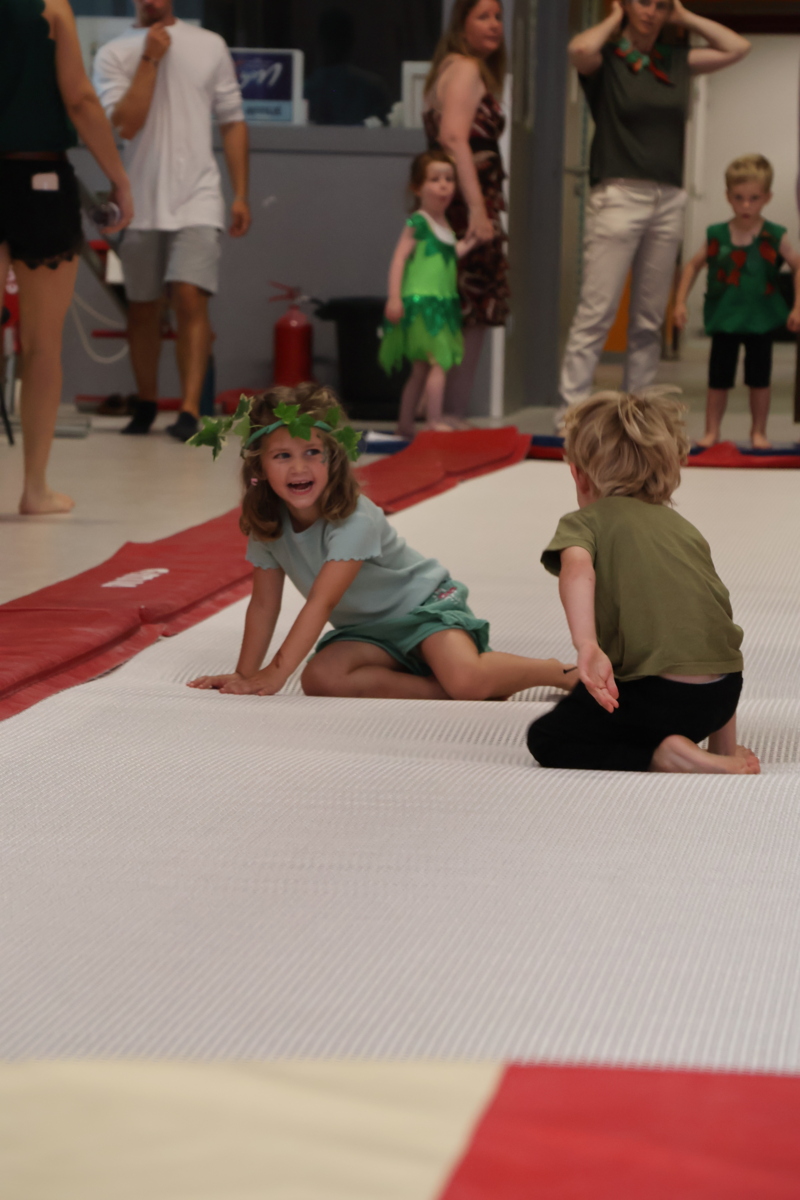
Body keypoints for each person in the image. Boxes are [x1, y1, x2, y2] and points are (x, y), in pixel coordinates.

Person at [186, 383, 575, 700]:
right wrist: (245, 673)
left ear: (333, 457)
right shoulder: (267, 522)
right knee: (320, 678)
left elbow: (322, 601)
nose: (299, 467)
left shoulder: (354, 518)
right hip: (368, 633)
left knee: (468, 680)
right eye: (283, 456)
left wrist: (275, 673)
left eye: (312, 452)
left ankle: (557, 672)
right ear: (259, 465)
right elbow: (263, 603)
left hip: (423, 610)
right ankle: (440, 689)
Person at [527, 388, 759, 776]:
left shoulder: (585, 522)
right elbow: (714, 619)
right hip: (721, 694)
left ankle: (663, 755)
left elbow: (577, 571)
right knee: (695, 644)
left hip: (656, 697)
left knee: (550, 736)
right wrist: (724, 734)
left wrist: (586, 644)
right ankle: (719, 749)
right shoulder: (684, 529)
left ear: (579, 476)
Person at [559, 0, 750, 424]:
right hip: (618, 194)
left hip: (669, 198)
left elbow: (738, 47)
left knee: (648, 320)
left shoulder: (676, 60)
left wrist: (684, 16)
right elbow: (578, 50)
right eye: (643, 2)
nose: (651, 12)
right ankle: (570, 416)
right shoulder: (608, 58)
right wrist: (614, 17)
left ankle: (637, 419)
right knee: (596, 312)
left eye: (661, 5)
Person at [93, 0, 251, 442]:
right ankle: (146, 402)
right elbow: (125, 125)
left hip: (198, 195)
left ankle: (189, 409)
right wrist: (149, 58)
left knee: (189, 297)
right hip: (139, 200)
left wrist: (240, 193)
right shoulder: (113, 52)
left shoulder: (209, 45)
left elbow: (233, 121)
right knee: (142, 306)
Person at [0, 0, 132, 514]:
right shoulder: (51, 8)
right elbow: (79, 98)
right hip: (39, 178)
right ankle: (35, 488)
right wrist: (119, 181)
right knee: (41, 345)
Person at [674, 154, 800, 450]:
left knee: (760, 379)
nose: (746, 206)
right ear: (728, 196)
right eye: (739, 198)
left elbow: (797, 266)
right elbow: (692, 265)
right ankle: (712, 431)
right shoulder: (717, 235)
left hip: (760, 320)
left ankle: (759, 431)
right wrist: (679, 302)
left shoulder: (773, 236)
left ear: (766, 198)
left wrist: (797, 306)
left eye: (754, 198)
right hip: (725, 319)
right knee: (718, 378)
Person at [423, 0, 509, 426]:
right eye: (483, 17)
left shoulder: (451, 69)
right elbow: (454, 137)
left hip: (462, 201)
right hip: (465, 205)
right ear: (462, 24)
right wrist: (477, 210)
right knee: (469, 307)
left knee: (463, 306)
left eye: (498, 17)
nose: (495, 25)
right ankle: (447, 411)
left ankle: (445, 410)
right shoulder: (466, 68)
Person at [380, 150, 478, 436]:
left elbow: (449, 254)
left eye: (449, 179)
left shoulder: (444, 225)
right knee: (439, 362)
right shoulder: (418, 222)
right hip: (423, 303)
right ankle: (433, 421)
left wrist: (471, 241)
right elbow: (399, 259)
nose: (444, 185)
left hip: (442, 304)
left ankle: (405, 424)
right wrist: (394, 297)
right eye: (435, 179)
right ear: (417, 187)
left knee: (422, 368)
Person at [304, 6, 391, 127]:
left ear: (319, 41)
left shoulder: (307, 88)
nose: (334, 45)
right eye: (331, 38)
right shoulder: (374, 86)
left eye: (337, 39)